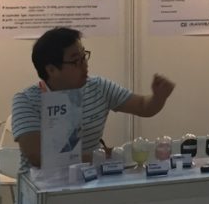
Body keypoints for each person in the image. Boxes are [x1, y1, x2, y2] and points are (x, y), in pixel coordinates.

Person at [12, 27, 175, 171]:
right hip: (40, 187)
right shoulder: (26, 100)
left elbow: (143, 107)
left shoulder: (98, 86)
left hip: (88, 181)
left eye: (84, 56)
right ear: (51, 70)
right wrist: (99, 158)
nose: (85, 65)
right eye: (76, 61)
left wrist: (158, 97)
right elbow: (37, 157)